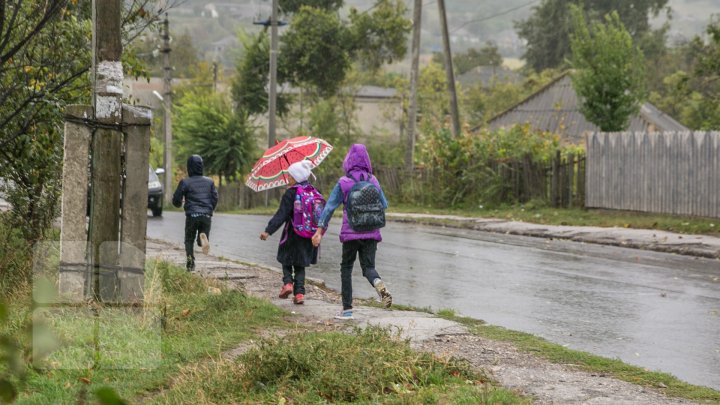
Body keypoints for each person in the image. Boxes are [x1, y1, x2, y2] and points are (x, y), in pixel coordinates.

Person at [312, 144, 391, 320]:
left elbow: (329, 208)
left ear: (348, 160)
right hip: (371, 232)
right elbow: (384, 205)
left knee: (346, 269)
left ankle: (347, 311)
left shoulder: (344, 182)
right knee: (368, 268)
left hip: (350, 234)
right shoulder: (374, 181)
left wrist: (319, 231)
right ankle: (378, 283)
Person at [260, 160, 320, 305]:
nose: (288, 178)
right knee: (300, 265)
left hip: (292, 233)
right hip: (308, 235)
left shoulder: (290, 193)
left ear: (296, 177)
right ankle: (299, 294)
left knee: (285, 259)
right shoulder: (313, 191)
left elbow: (282, 214)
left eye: (290, 176)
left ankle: (287, 284)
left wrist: (268, 231)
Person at [172, 154, 218, 272]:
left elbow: (176, 199)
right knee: (201, 238)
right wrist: (209, 209)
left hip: (192, 215)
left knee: (189, 239)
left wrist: (178, 203)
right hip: (206, 215)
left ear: (189, 167)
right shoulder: (210, 182)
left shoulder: (185, 182)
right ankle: (202, 237)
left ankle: (190, 263)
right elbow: (214, 198)